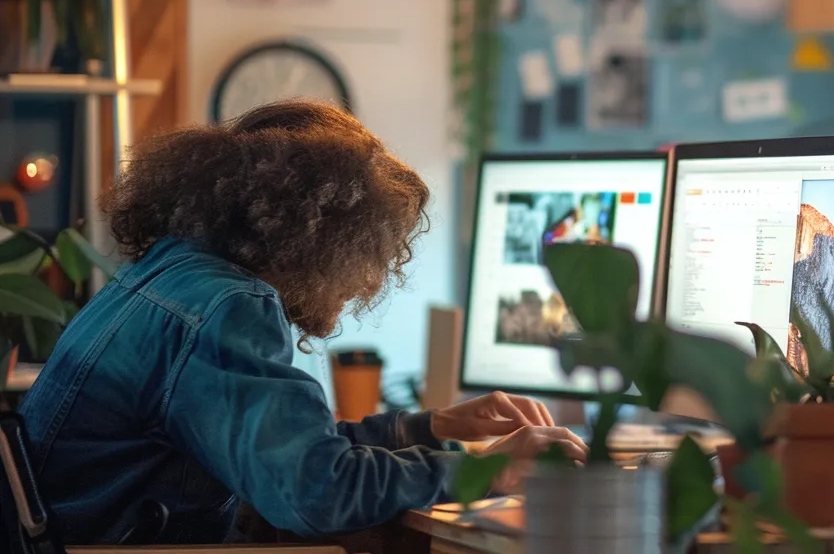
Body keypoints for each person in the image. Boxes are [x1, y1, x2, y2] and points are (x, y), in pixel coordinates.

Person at [20, 100, 588, 545]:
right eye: (373, 257)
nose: (365, 282)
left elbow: (283, 452)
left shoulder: (168, 274)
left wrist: (429, 426)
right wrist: (486, 469)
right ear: (328, 238)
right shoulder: (229, 307)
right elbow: (314, 491)